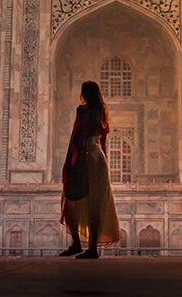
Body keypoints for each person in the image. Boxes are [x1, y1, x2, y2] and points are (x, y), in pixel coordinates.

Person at [59, 80, 121, 258]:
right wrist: (105, 165)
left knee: (71, 199)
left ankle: (76, 244)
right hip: (99, 159)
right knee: (96, 203)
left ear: (84, 94)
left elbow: (77, 136)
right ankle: (92, 248)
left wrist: (70, 162)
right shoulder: (102, 111)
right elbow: (103, 143)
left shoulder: (82, 110)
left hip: (83, 158)